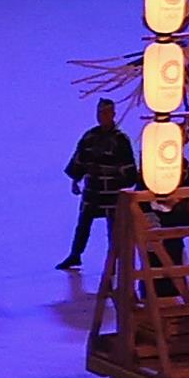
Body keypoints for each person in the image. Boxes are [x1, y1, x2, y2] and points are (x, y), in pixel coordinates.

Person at [59, 95, 137, 271]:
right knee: (84, 223)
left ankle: (114, 259)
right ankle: (75, 254)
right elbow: (80, 159)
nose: (102, 116)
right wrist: (75, 179)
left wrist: (122, 180)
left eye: (106, 113)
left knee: (114, 228)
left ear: (113, 114)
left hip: (112, 192)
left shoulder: (120, 139)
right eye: (100, 113)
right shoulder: (90, 136)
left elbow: (129, 167)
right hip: (93, 190)